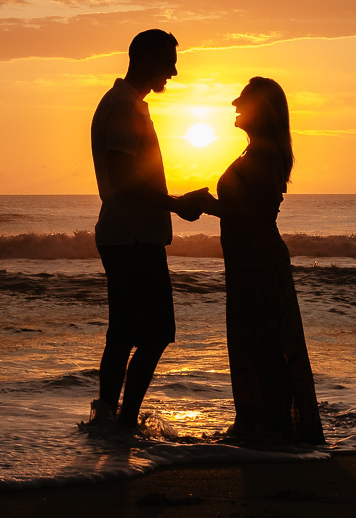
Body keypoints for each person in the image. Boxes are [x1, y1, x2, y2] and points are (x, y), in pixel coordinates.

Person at [89, 29, 209, 432]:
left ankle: (110, 417)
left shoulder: (127, 104)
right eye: (169, 62)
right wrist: (175, 203)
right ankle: (122, 420)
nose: (174, 72)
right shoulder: (124, 108)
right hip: (133, 236)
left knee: (124, 331)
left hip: (125, 234)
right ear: (146, 60)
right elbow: (124, 179)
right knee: (156, 333)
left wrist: (172, 201)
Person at [202, 77, 324, 445]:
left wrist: (210, 207)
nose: (235, 105)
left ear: (262, 110)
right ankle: (260, 423)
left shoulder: (264, 153)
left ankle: (270, 426)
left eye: (244, 101)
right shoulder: (255, 150)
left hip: (259, 260)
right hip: (246, 261)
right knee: (253, 341)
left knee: (264, 343)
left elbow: (261, 214)